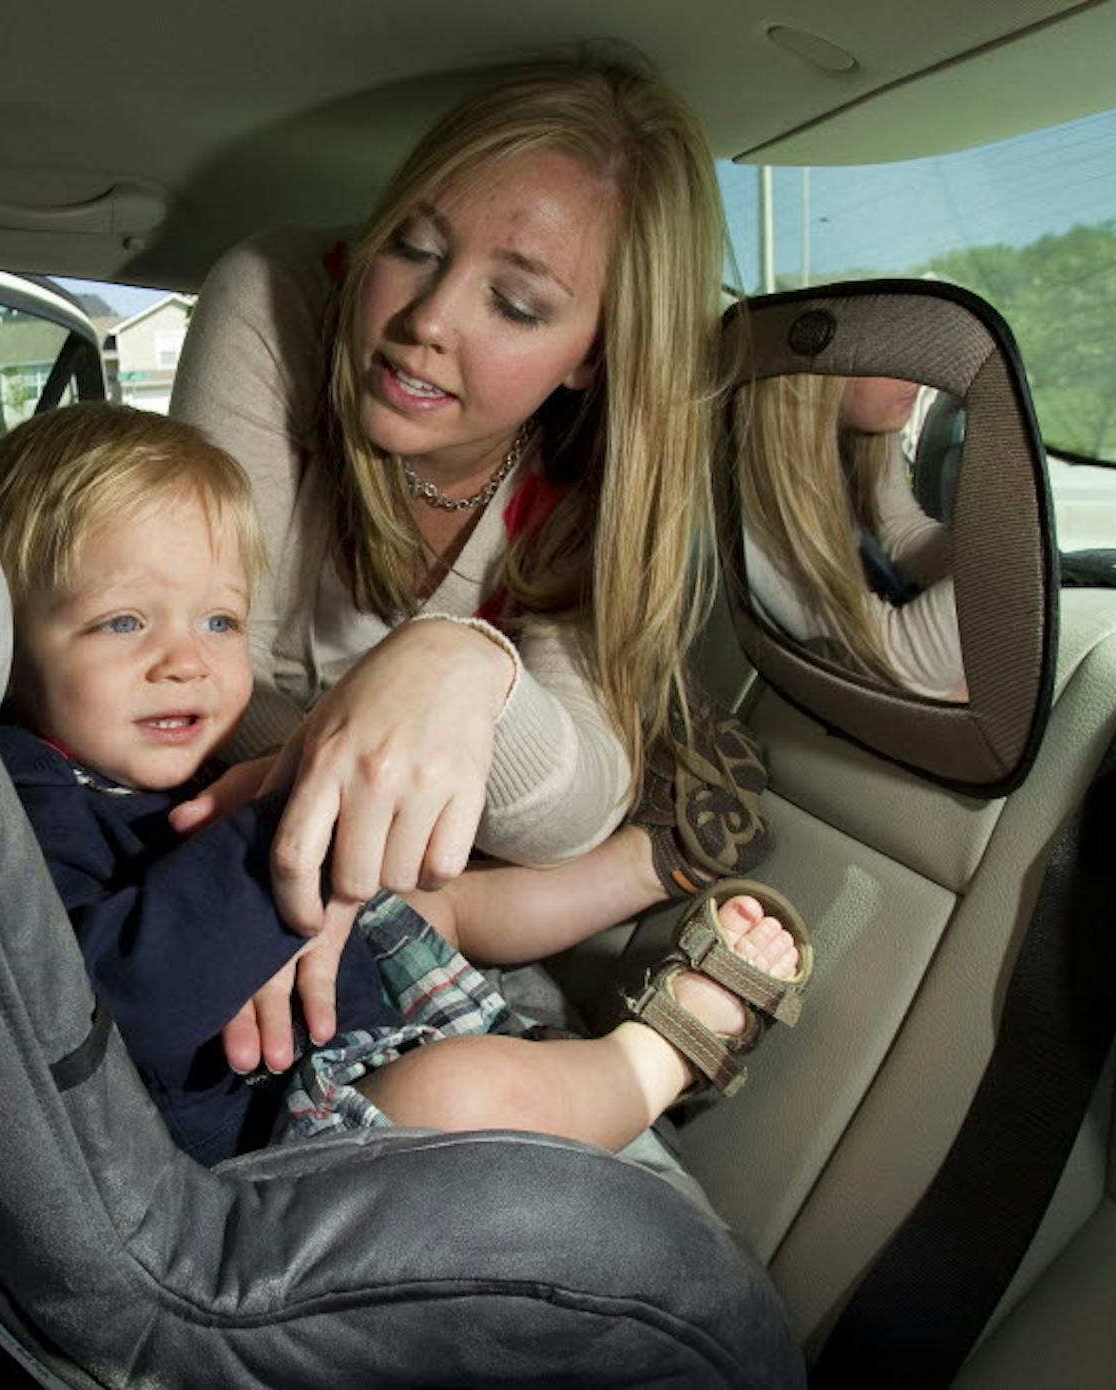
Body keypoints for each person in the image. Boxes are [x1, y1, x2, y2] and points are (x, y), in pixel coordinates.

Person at [0, 402, 811, 1166]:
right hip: (288, 1124)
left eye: (220, 620)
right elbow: (116, 1006)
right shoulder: (17, 797)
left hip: (346, 994)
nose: (186, 661)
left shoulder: (142, 752)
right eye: (123, 622)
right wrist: (286, 824)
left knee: (424, 892)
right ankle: (671, 1048)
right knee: (472, 1095)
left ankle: (658, 859)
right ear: (8, 645)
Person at [168, 61, 770, 1073]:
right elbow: (196, 676)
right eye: (411, 245)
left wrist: (459, 665)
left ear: (592, 352)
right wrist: (365, 748)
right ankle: (651, 873)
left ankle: (652, 891)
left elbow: (569, 807)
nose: (426, 320)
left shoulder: (589, 479)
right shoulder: (279, 297)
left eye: (519, 304)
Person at [737, 374, 966, 700]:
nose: (917, 368)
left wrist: (986, 558)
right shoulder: (751, 490)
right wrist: (1002, 574)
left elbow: (902, 530)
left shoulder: (865, 429)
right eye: (887, 341)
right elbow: (896, 660)